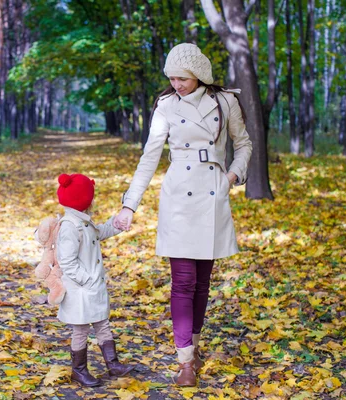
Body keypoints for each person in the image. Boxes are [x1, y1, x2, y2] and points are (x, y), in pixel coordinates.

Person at [113, 43, 252, 387]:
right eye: (171, 78)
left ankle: (195, 343)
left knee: (202, 283)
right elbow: (149, 156)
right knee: (184, 281)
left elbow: (244, 143)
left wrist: (232, 176)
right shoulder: (165, 106)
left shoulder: (225, 101)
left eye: (182, 78)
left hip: (212, 194)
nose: (176, 84)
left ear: (198, 75)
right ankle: (185, 360)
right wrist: (130, 204)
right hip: (178, 197)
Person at [54, 173, 135, 387]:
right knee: (81, 330)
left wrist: (116, 224)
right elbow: (67, 261)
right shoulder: (70, 227)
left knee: (102, 323)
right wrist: (87, 280)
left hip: (92, 287)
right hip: (80, 289)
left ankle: (113, 364)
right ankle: (79, 371)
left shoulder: (84, 222)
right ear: (83, 200)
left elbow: (100, 232)